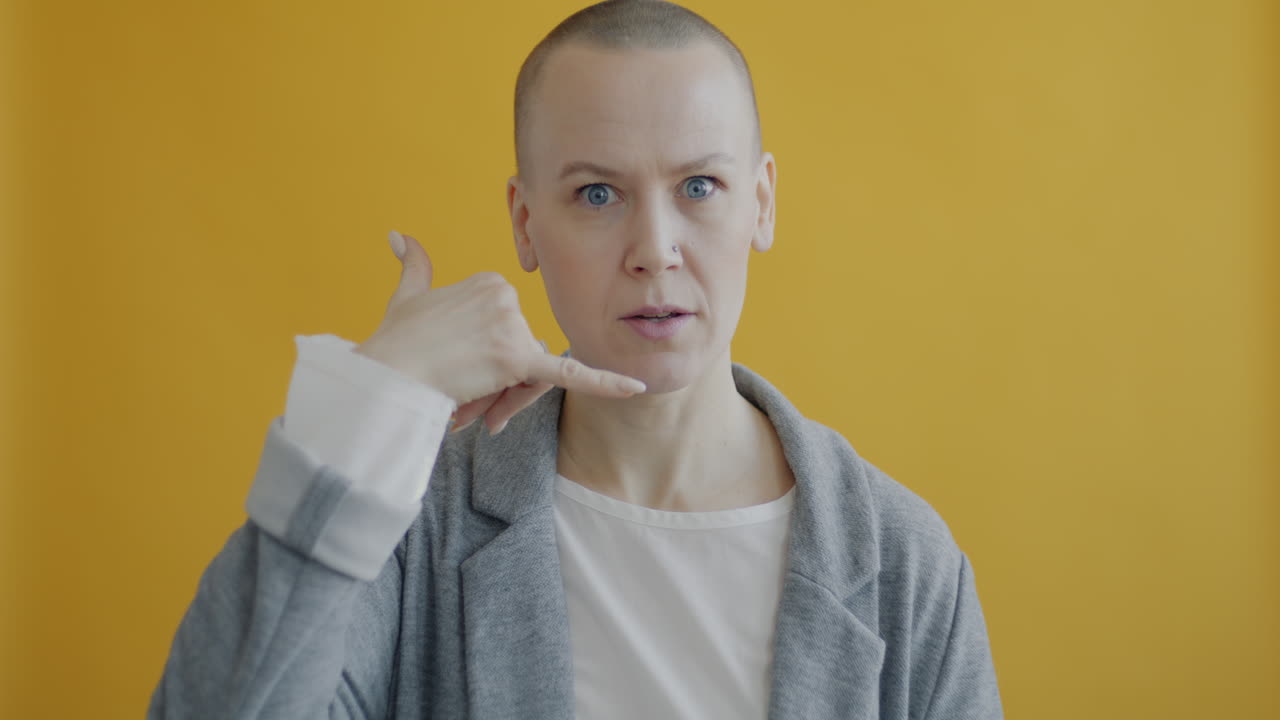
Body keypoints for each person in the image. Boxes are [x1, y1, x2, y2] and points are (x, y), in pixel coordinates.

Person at [148, 0, 1003, 717]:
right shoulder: (409, 526)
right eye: (598, 193)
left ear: (762, 203)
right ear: (525, 224)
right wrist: (369, 412)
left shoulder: (906, 561)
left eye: (699, 187)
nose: (655, 249)